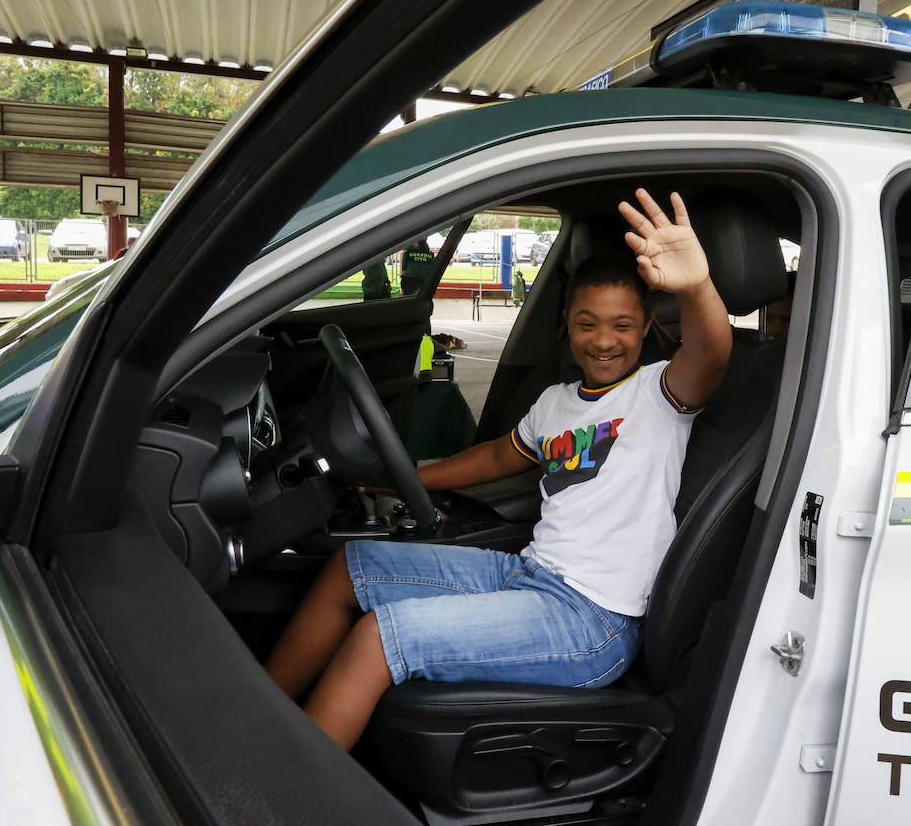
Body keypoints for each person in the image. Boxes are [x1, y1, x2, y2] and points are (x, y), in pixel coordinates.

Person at [264, 188, 732, 749]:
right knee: (349, 567)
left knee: (378, 637)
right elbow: (493, 458)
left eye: (622, 326)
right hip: (529, 576)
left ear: (646, 329)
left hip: (594, 622)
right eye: (588, 324)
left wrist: (697, 286)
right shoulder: (556, 402)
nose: (604, 341)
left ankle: (281, 781)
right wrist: (406, 478)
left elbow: (711, 355)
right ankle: (259, 717)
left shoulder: (658, 393)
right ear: (567, 323)